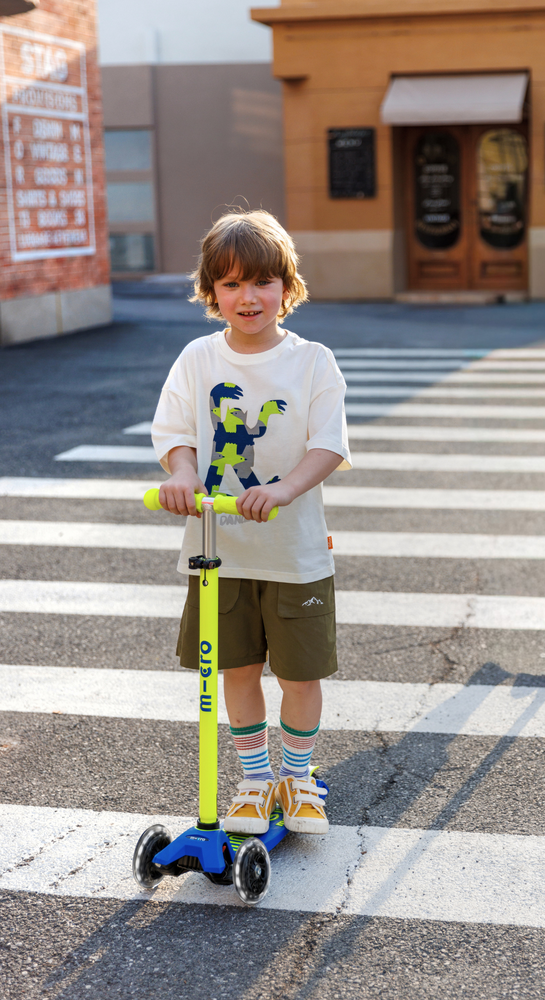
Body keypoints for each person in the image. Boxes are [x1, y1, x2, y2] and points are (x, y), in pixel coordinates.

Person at [151, 209, 351, 837]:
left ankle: (297, 777)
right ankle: (256, 779)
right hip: (220, 549)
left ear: (287, 289)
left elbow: (329, 443)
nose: (247, 297)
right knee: (234, 671)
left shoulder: (313, 362)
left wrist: (285, 489)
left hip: (293, 551)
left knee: (300, 673)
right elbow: (177, 431)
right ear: (210, 292)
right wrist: (182, 474)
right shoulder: (197, 358)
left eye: (262, 282)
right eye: (231, 284)